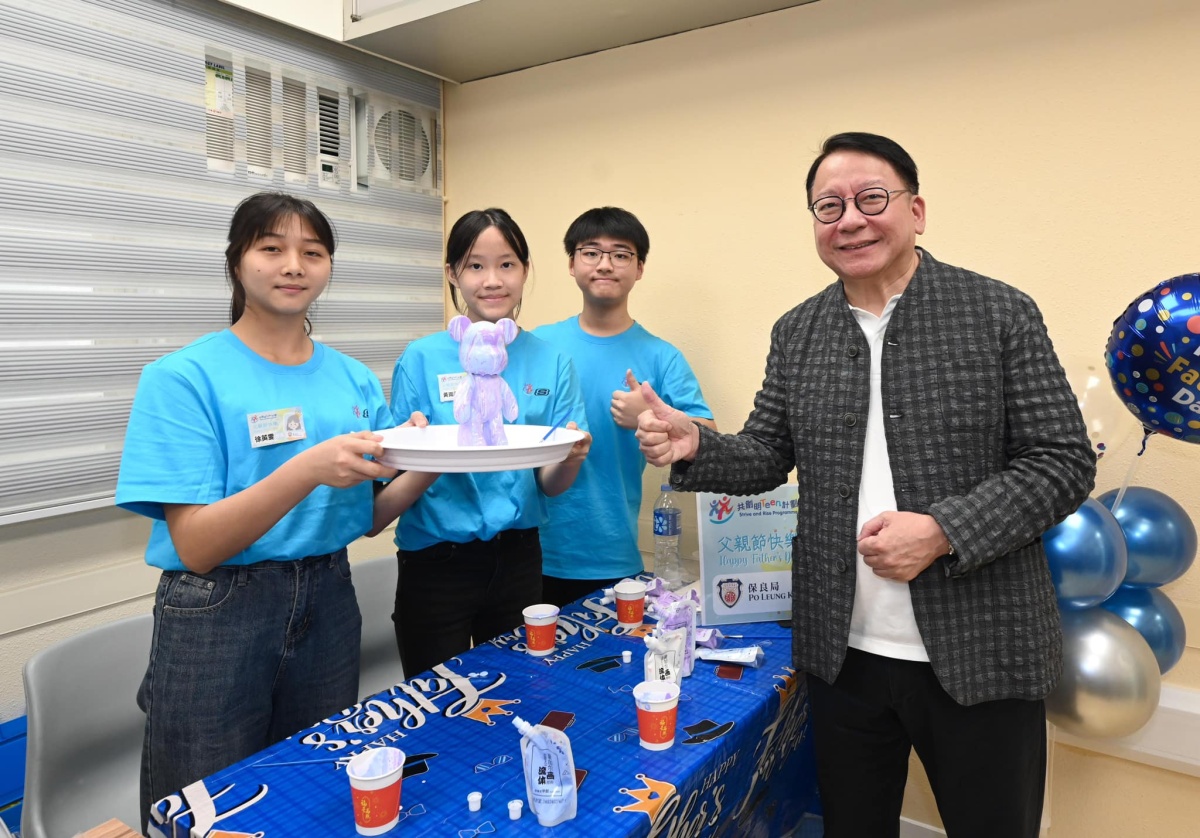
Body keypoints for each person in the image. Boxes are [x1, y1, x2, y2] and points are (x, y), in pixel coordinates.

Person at [635, 133, 1095, 838]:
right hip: (841, 654)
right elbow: (767, 454)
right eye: (829, 206)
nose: (849, 219)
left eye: (870, 198)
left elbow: (1061, 461)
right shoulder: (799, 331)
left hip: (982, 650)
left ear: (916, 211)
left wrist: (943, 532)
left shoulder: (998, 311)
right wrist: (697, 444)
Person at [116, 192, 438, 824]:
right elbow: (197, 546)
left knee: (314, 789)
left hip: (330, 594)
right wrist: (308, 468)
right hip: (218, 608)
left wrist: (431, 459)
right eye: (272, 248)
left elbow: (365, 518)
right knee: (203, 804)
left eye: (312, 253)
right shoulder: (182, 377)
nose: (293, 265)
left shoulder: (351, 378)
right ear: (237, 261)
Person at [389, 208, 591, 677]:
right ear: (452, 274)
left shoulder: (552, 361)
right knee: (434, 697)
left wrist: (572, 457)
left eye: (507, 264)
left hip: (519, 556)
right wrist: (416, 441)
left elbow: (550, 484)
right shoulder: (421, 358)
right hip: (435, 560)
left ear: (525, 270)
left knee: (519, 689)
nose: (492, 280)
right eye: (475, 265)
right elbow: (395, 471)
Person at [533, 207, 715, 606]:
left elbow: (709, 436)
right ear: (571, 264)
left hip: (614, 554)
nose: (605, 264)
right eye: (591, 252)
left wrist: (651, 417)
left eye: (620, 254)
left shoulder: (662, 356)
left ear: (639, 268)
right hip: (528, 551)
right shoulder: (538, 345)